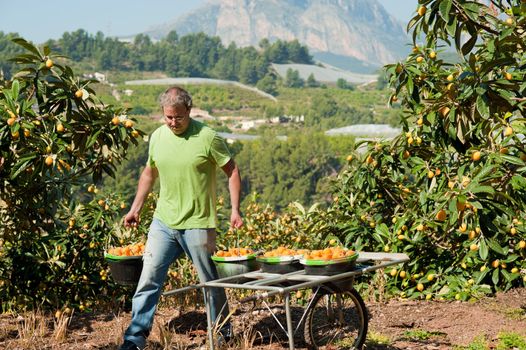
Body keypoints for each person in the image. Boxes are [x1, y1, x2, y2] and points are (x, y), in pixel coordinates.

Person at [119, 86, 243, 350]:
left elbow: (232, 171)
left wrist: (235, 209)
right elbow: (149, 174)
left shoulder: (207, 137)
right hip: (163, 221)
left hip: (198, 222)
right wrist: (135, 208)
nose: (173, 123)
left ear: (189, 110)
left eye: (178, 117)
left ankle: (223, 332)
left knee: (209, 282)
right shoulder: (157, 137)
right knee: (149, 277)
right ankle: (135, 338)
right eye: (168, 117)